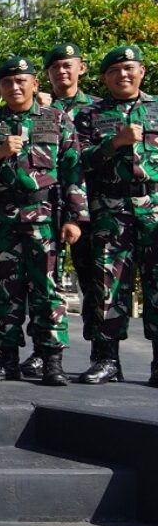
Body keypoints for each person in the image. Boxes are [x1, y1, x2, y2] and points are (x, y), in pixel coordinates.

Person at [0, 56, 86, 384]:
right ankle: (4, 358)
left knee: (47, 290)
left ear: (35, 84)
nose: (14, 86)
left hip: (45, 219)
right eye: (7, 82)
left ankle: (51, 358)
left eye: (21, 80)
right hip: (3, 220)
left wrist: (75, 218)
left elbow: (72, 170)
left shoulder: (56, 119)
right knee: (5, 291)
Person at [73, 45, 157, 385]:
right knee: (108, 284)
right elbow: (80, 159)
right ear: (104, 77)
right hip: (111, 208)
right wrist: (116, 143)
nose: (123, 75)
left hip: (153, 205)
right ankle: (107, 360)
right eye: (115, 71)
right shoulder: (91, 114)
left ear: (142, 72)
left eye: (129, 68)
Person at [22, 44, 102, 378]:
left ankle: (103, 356)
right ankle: (43, 352)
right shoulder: (38, 110)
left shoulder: (98, 108)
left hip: (96, 210)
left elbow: (81, 162)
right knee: (46, 281)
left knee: (96, 284)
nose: (61, 72)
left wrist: (77, 213)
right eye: (54, 68)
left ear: (81, 68)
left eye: (67, 66)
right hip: (48, 210)